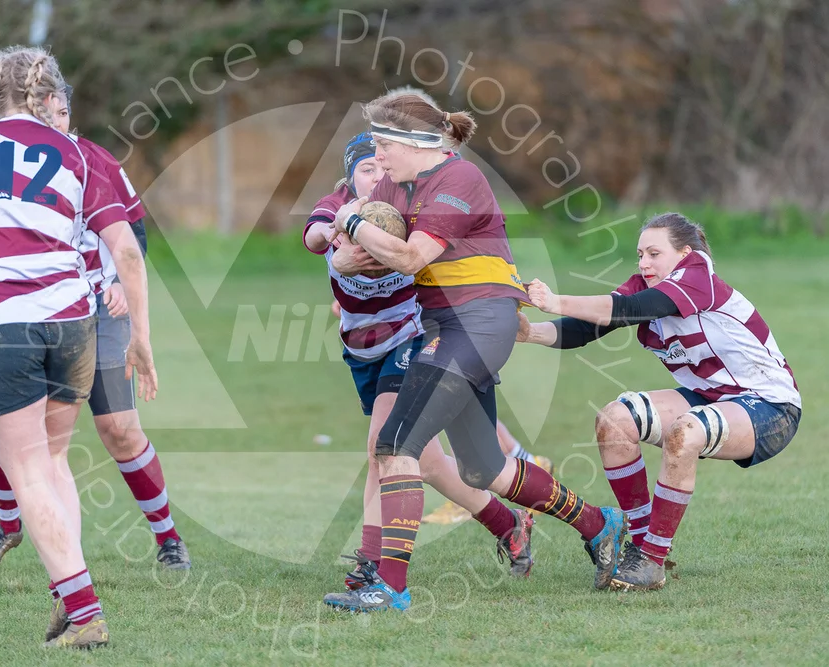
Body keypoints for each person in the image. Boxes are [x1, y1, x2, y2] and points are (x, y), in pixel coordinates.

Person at [320, 94, 627, 612]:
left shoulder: (459, 179)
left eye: (384, 143)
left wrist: (352, 224)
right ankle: (599, 523)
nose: (378, 156)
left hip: (479, 321)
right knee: (484, 470)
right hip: (443, 325)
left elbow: (409, 256)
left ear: (416, 142)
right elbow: (356, 254)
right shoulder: (393, 187)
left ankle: (390, 586)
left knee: (395, 446)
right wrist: (347, 250)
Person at [0, 45, 157, 648]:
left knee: (26, 470)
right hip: (73, 323)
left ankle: (85, 612)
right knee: (52, 462)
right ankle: (68, 601)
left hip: (0, 324)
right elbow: (126, 250)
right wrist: (142, 337)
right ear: (48, 96)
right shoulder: (78, 152)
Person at [305, 132, 551, 586]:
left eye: (382, 167)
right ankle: (509, 524)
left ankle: (371, 562)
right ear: (349, 179)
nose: (376, 176)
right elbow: (314, 234)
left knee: (383, 445)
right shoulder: (339, 207)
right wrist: (332, 237)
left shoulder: (411, 209)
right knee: (430, 464)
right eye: (365, 169)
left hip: (413, 334)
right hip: (362, 349)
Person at [0, 84, 190, 578]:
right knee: (12, 425)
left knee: (120, 429)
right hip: (34, 312)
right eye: (44, 113)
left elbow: (132, 232)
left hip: (98, 310)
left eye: (63, 111)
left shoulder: (92, 158)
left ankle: (169, 538)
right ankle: (8, 525)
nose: (56, 121)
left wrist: (119, 282)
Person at [517, 212, 802, 590]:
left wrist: (554, 300)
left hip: (771, 406)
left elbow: (631, 309)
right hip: (708, 397)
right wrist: (530, 333)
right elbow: (589, 326)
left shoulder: (697, 276)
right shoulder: (645, 285)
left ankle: (653, 559)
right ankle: (639, 545)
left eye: (654, 253)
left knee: (686, 431)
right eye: (640, 255)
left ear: (685, 254)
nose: (644, 263)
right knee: (614, 420)